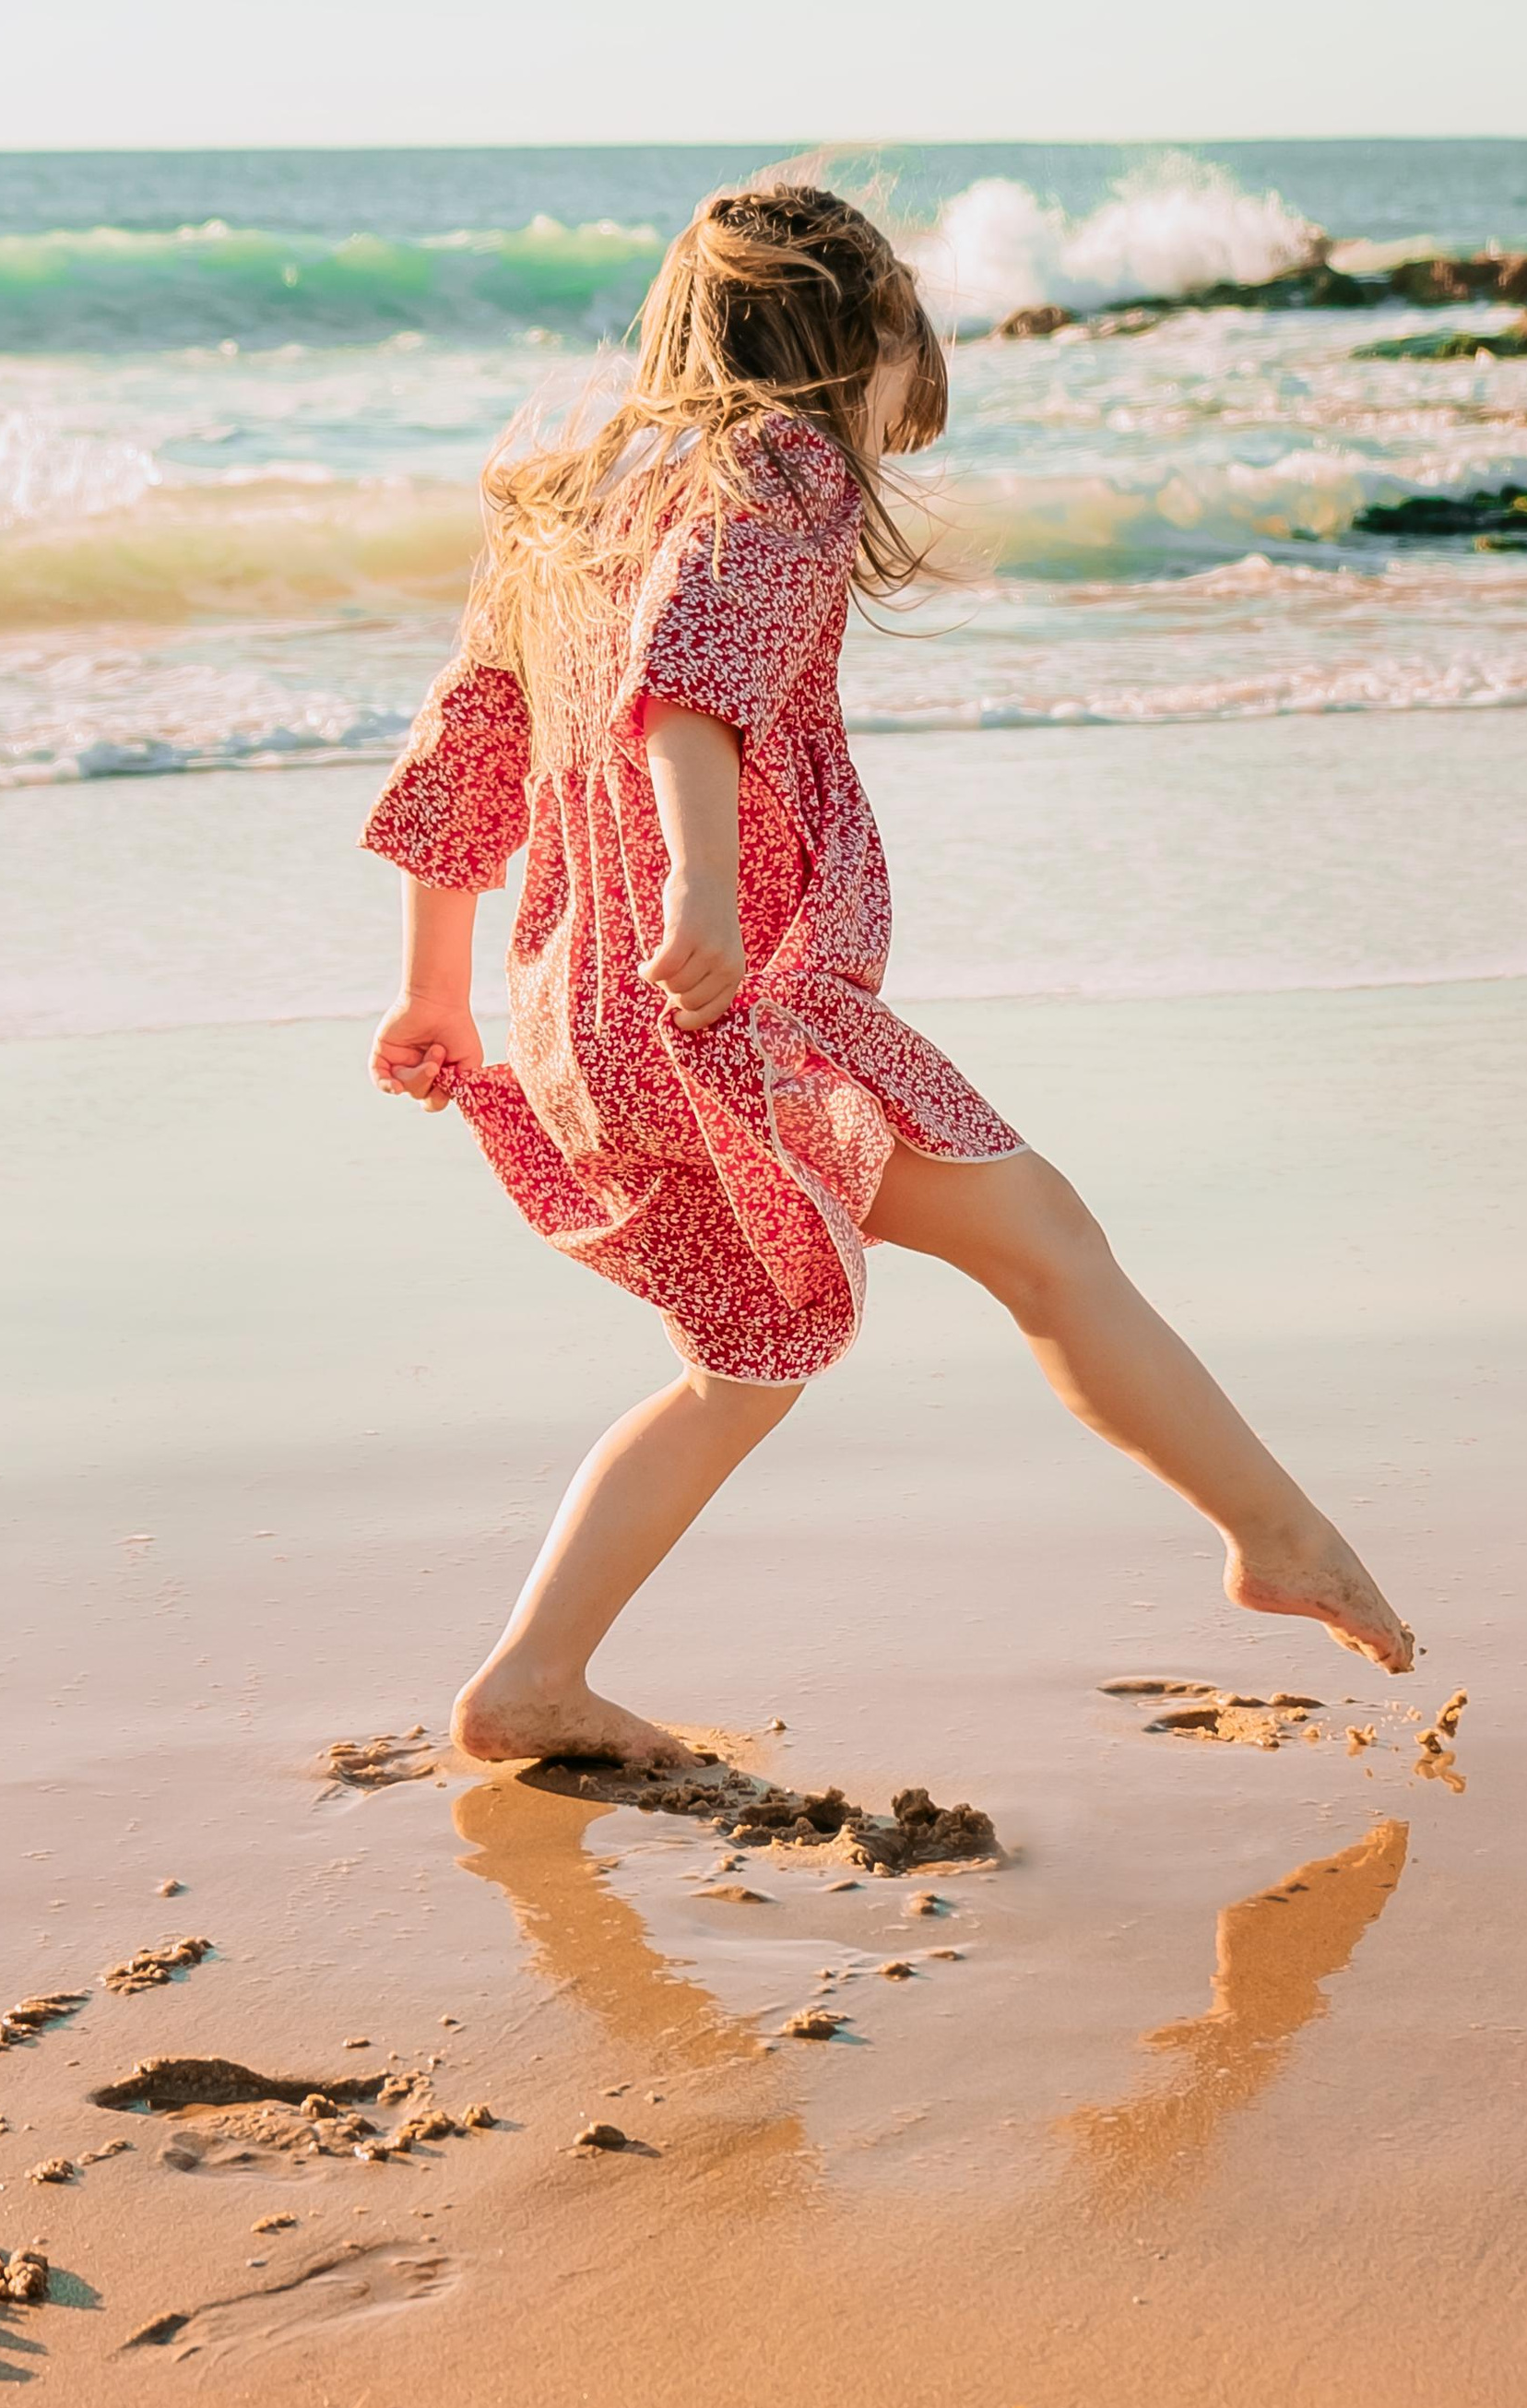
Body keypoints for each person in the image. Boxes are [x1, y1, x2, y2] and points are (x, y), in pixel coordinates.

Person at [365, 180, 1414, 1765]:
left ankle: (531, 1681)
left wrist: (432, 988)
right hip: (738, 997)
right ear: (859, 329)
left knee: (739, 1366)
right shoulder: (778, 468)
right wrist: (710, 893)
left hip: (584, 1009)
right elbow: (691, 694)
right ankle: (1281, 1537)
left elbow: (472, 749)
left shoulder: (574, 504)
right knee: (1048, 1246)